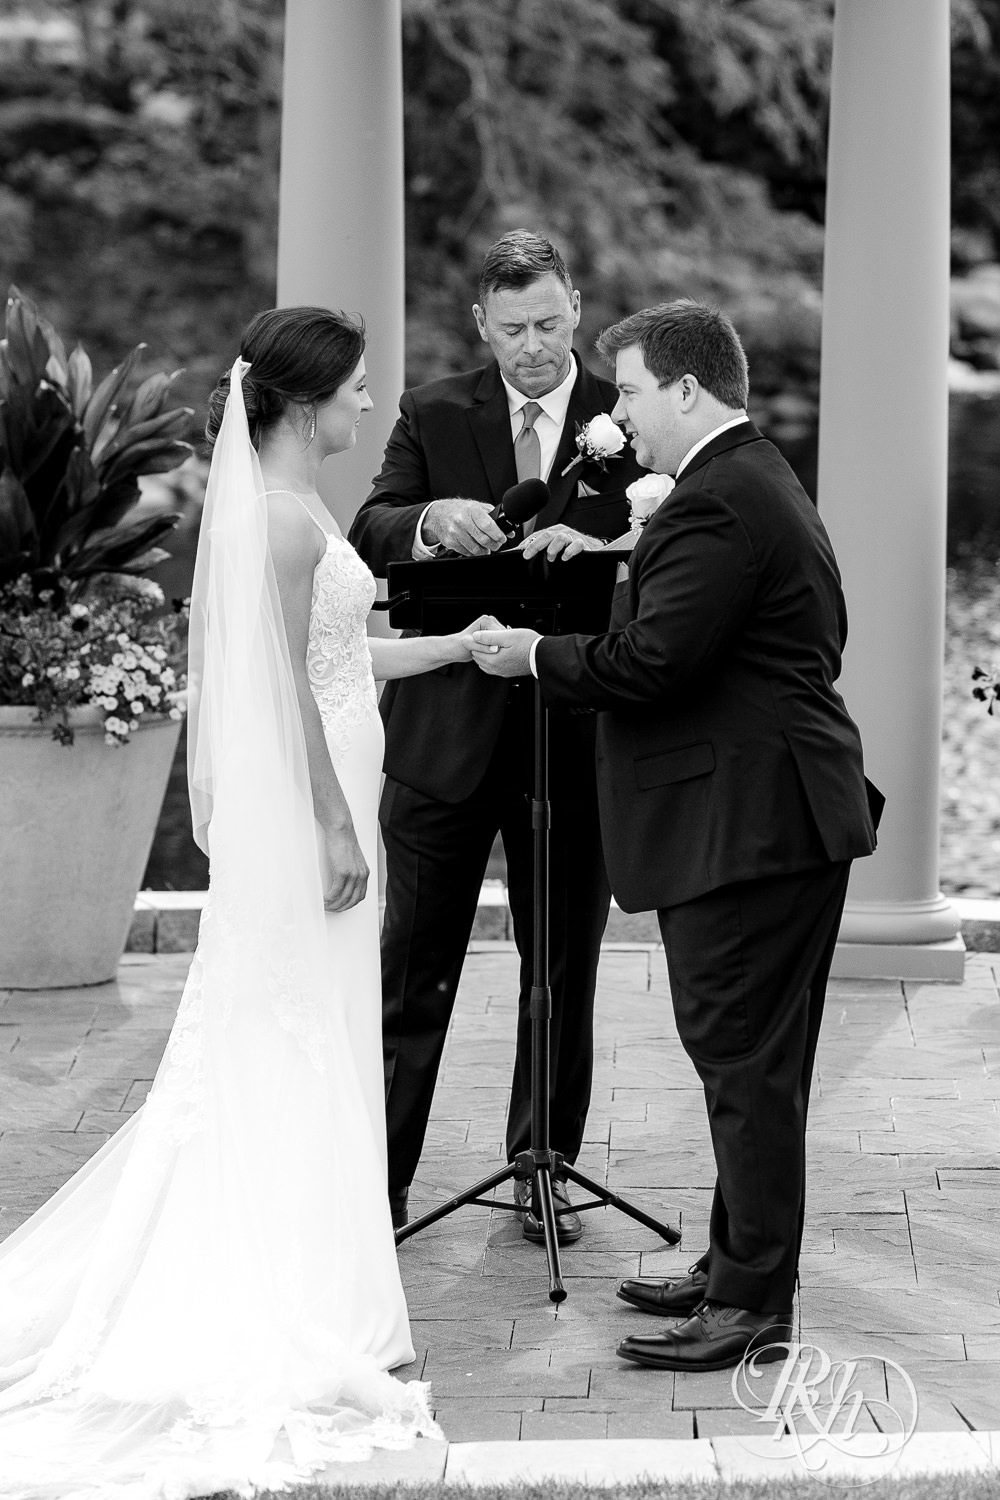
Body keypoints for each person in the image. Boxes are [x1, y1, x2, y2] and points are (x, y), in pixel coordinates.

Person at [0, 306, 497, 1495]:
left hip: (327, 770)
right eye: (358, 391)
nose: (370, 407)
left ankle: (307, 1269)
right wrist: (335, 821)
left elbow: (331, 658)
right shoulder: (279, 523)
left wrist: (449, 647)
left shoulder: (298, 513)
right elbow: (282, 692)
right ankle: (288, 1293)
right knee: (296, 1040)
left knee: (311, 1034)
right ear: (305, 400)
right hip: (307, 804)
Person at [471, 299, 881, 1372]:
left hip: (752, 823)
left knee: (744, 1064)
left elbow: (652, 663)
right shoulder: (743, 480)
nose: (620, 414)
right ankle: (736, 1263)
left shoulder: (715, 502)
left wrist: (533, 657)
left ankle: (752, 1309)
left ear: (688, 390)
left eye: (634, 392)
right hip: (773, 812)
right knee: (750, 1062)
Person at [349, 230, 644, 1242]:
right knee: (409, 966)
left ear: (578, 310)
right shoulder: (432, 412)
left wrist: (609, 540)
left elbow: (673, 547)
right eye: (513, 328)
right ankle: (377, 1186)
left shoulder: (626, 415)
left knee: (560, 967)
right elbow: (369, 529)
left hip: (576, 732)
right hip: (442, 736)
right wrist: (431, 518)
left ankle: (544, 1170)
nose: (533, 346)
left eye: (552, 325)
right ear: (481, 322)